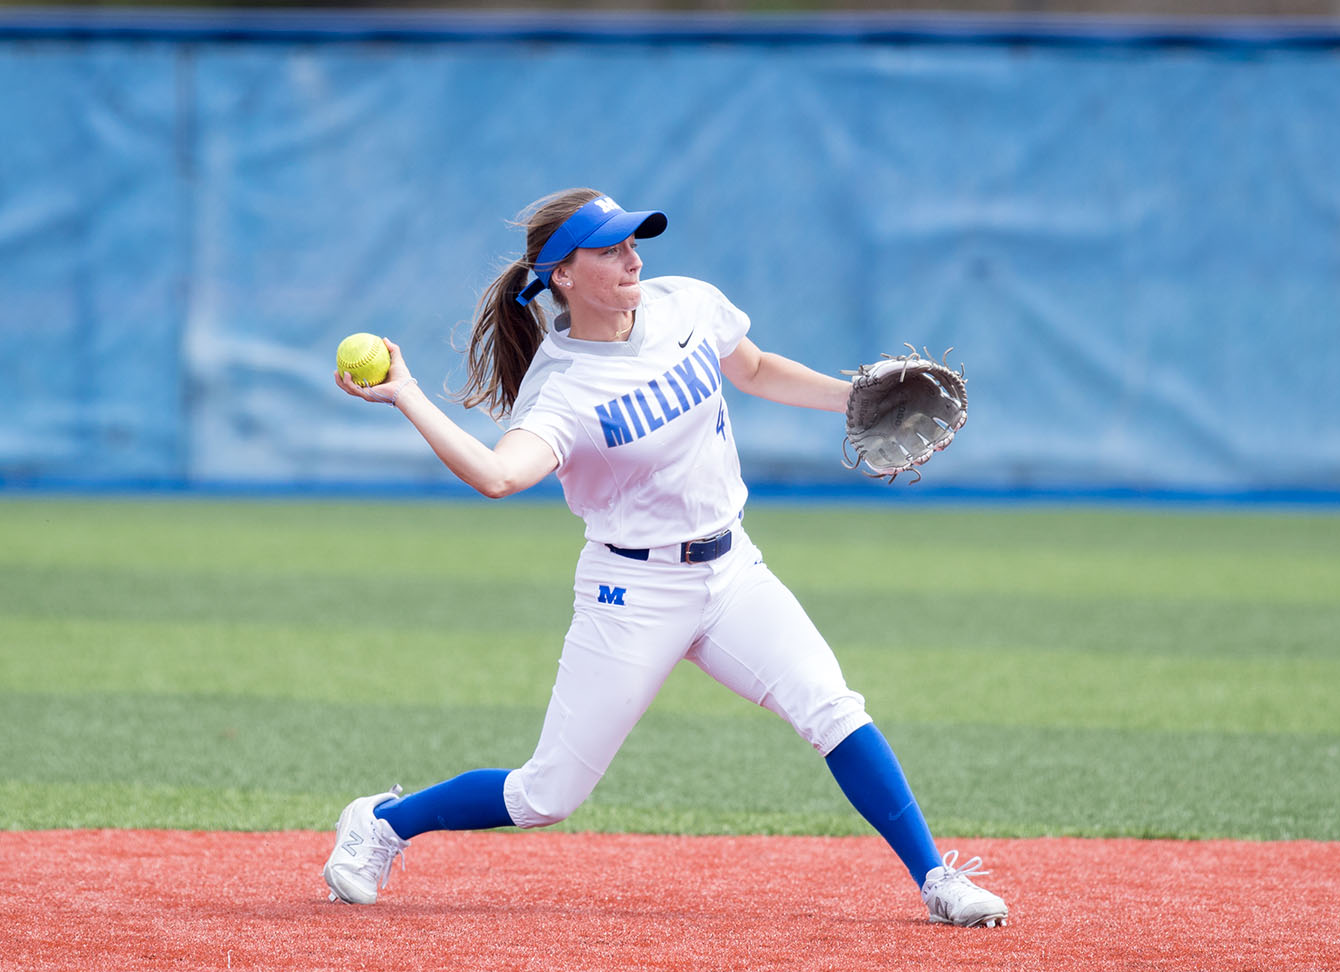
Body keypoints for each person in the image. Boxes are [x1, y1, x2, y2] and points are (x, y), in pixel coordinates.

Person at [323, 188, 1007, 928]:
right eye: (610, 248)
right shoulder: (563, 387)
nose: (632, 258)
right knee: (544, 797)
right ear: (561, 275)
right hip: (632, 592)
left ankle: (937, 877)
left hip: (732, 570)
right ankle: (384, 823)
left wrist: (849, 397)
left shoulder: (686, 304)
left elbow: (755, 368)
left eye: (633, 241)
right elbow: (497, 477)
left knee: (833, 708)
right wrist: (409, 395)